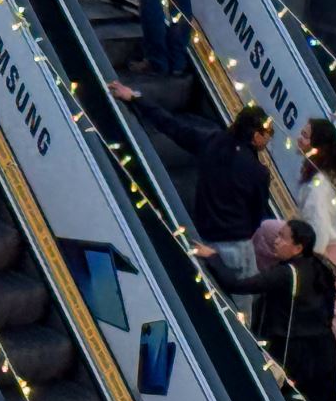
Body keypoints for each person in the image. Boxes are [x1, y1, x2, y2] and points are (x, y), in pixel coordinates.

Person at [109, 80, 273, 314]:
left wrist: (135, 97)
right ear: (256, 135)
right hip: (237, 247)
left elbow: (172, 126)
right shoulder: (258, 172)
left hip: (203, 239)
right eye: (267, 134)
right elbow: (258, 214)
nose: (268, 140)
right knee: (241, 309)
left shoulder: (211, 141)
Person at [195, 219, 336, 401]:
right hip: (324, 353)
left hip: (294, 352)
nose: (276, 241)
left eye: (282, 238)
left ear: (298, 247)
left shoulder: (286, 274)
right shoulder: (319, 267)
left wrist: (213, 257)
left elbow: (237, 285)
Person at [277, 105, 336, 390]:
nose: (299, 139)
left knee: (332, 312)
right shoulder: (333, 163)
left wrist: (308, 262)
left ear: (318, 146)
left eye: (305, 136)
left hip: (328, 255)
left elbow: (319, 233)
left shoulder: (317, 188)